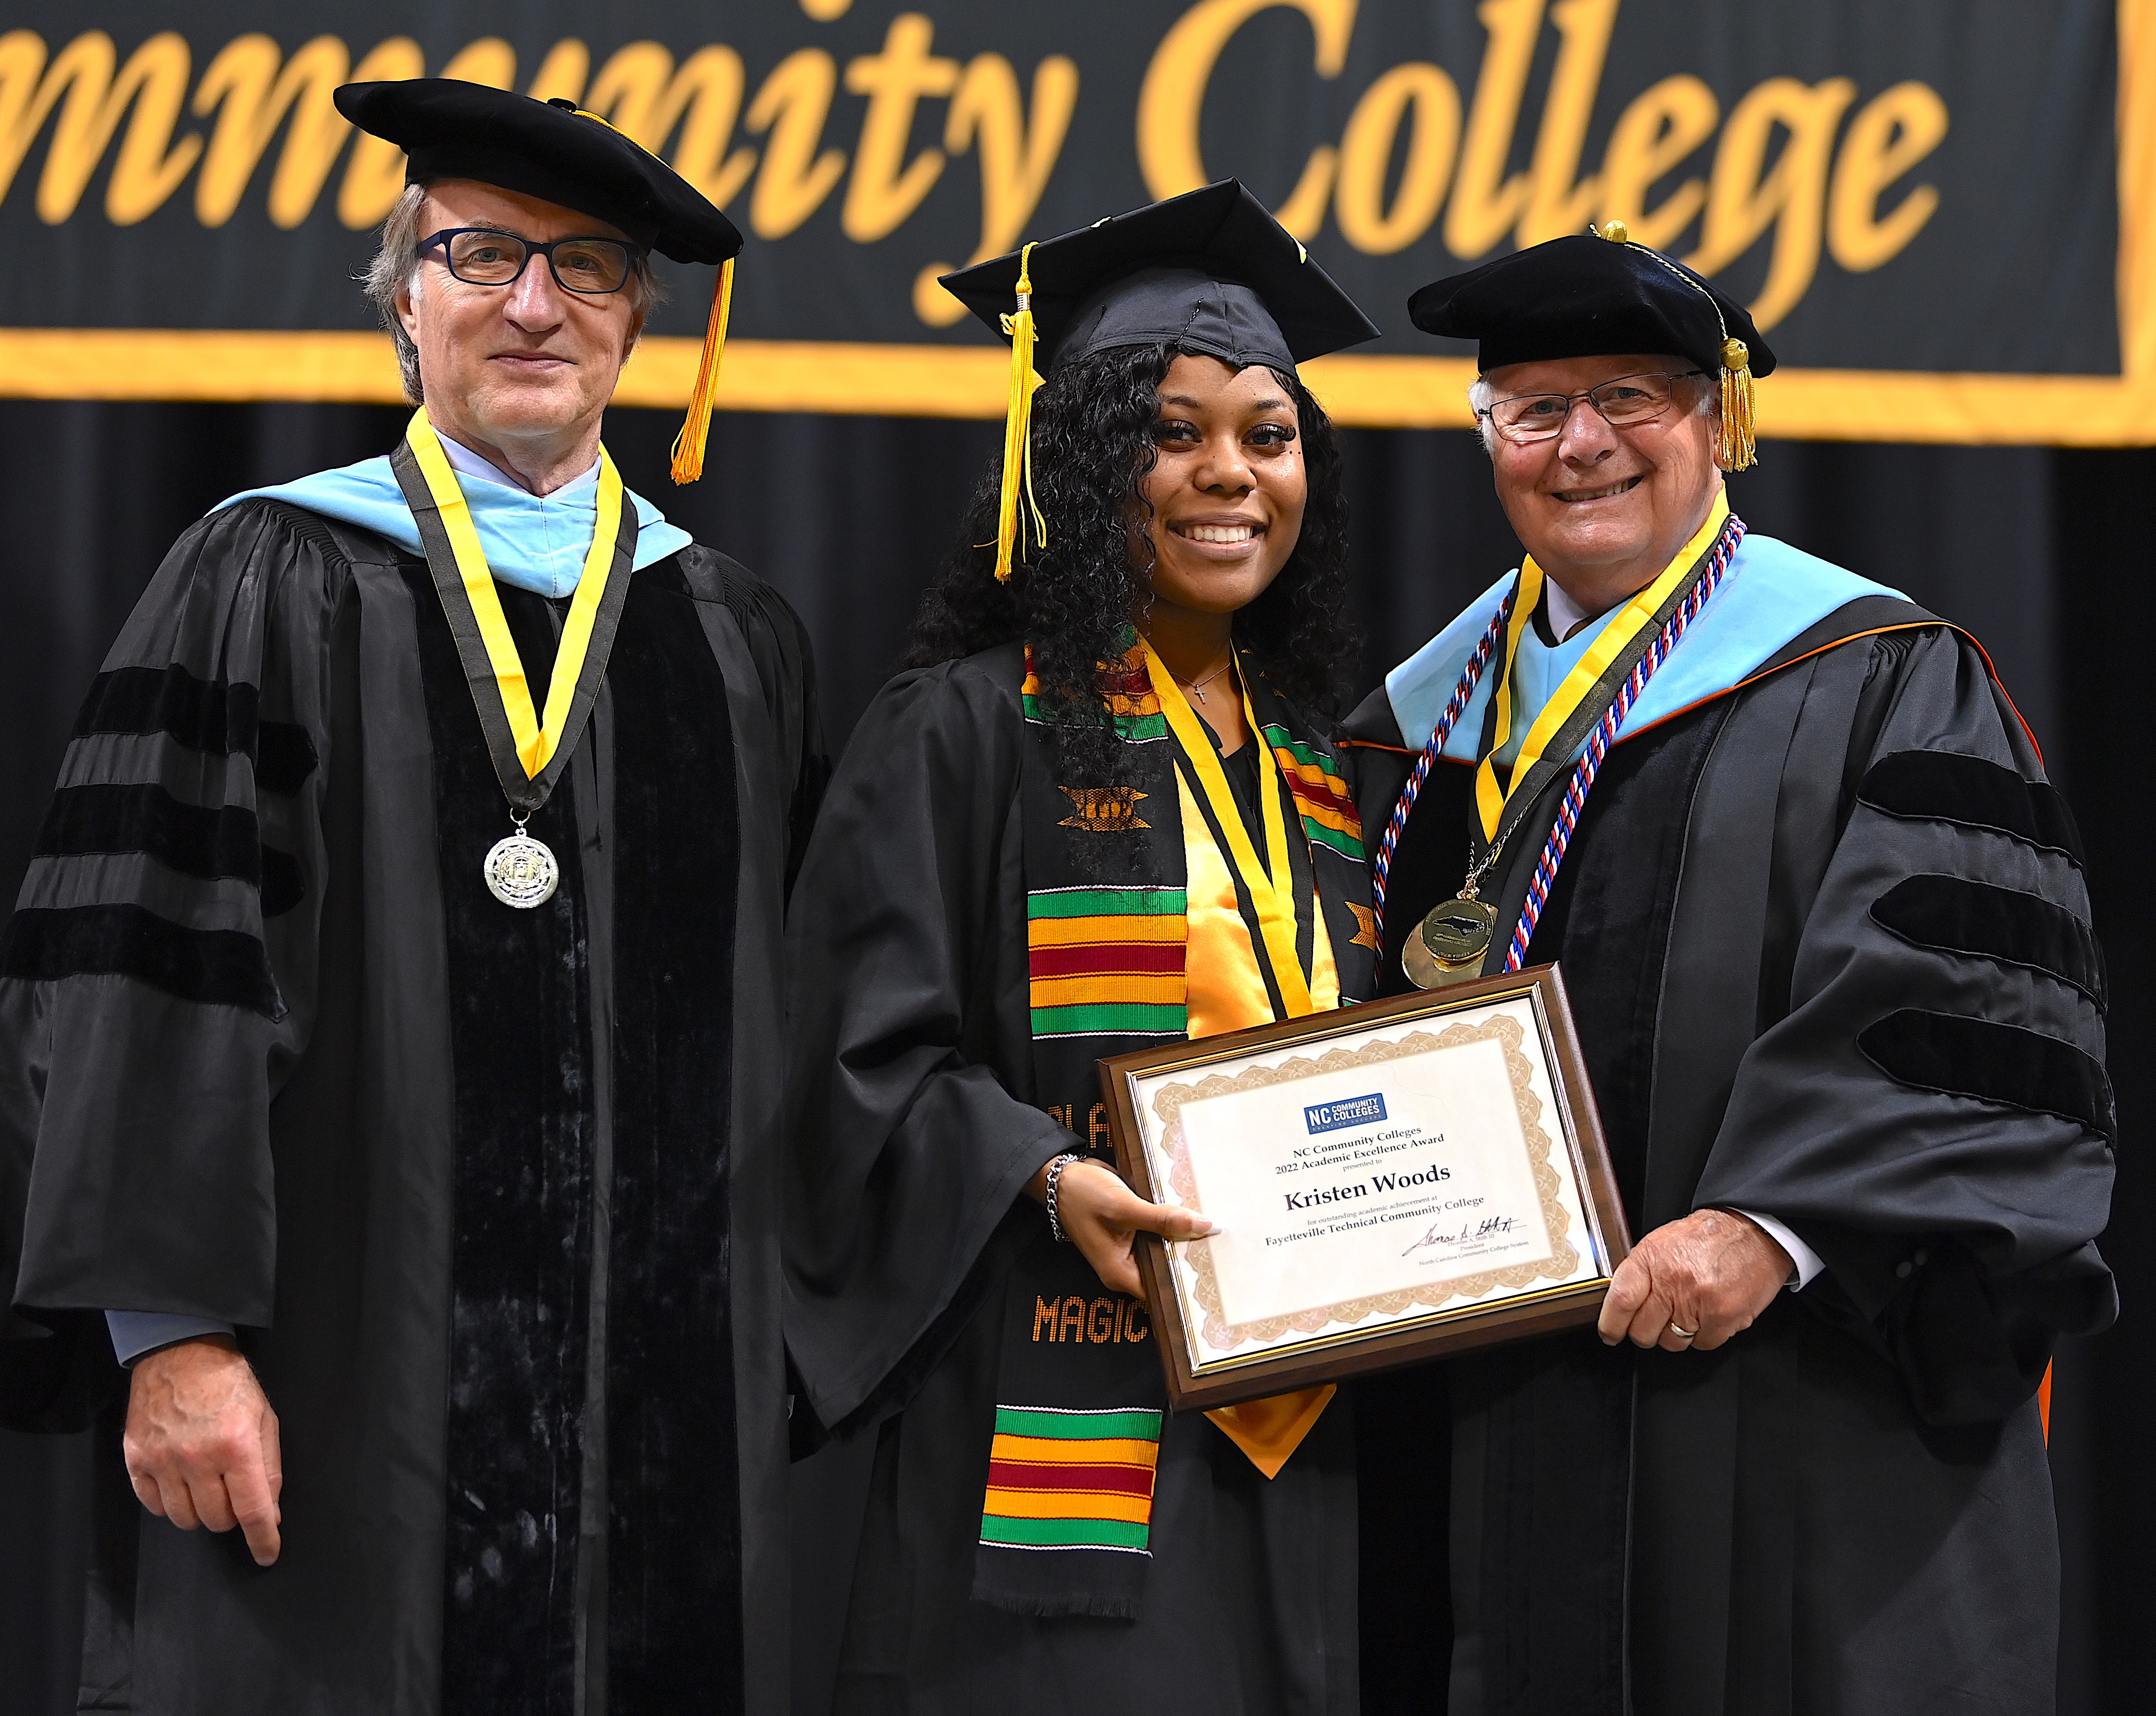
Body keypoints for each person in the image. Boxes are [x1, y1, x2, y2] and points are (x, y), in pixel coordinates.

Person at [0, 80, 822, 1714]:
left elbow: (804, 1049)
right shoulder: (264, 578)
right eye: (482, 255)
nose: (535, 305)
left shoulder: (733, 639)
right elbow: (141, 980)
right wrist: (171, 1337)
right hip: (330, 1435)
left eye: (586, 267)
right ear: (403, 303)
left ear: (636, 323)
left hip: (665, 1476)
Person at [1342, 225, 2117, 1714]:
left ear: (1720, 424)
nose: (1582, 445)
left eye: (1629, 397)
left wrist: (1778, 1222)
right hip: (1470, 1425)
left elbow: (1971, 1022)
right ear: (1487, 440)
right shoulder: (1413, 728)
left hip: (1780, 1409)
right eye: (1535, 409)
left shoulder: (1882, 676)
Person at [783, 181, 1380, 1713]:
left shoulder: (1326, 766)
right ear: (1079, 463)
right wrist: (1049, 1179)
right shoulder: (966, 728)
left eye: (1267, 434)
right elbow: (853, 1062)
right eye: (1171, 433)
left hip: (1299, 1411)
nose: (1228, 473)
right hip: (1051, 1404)